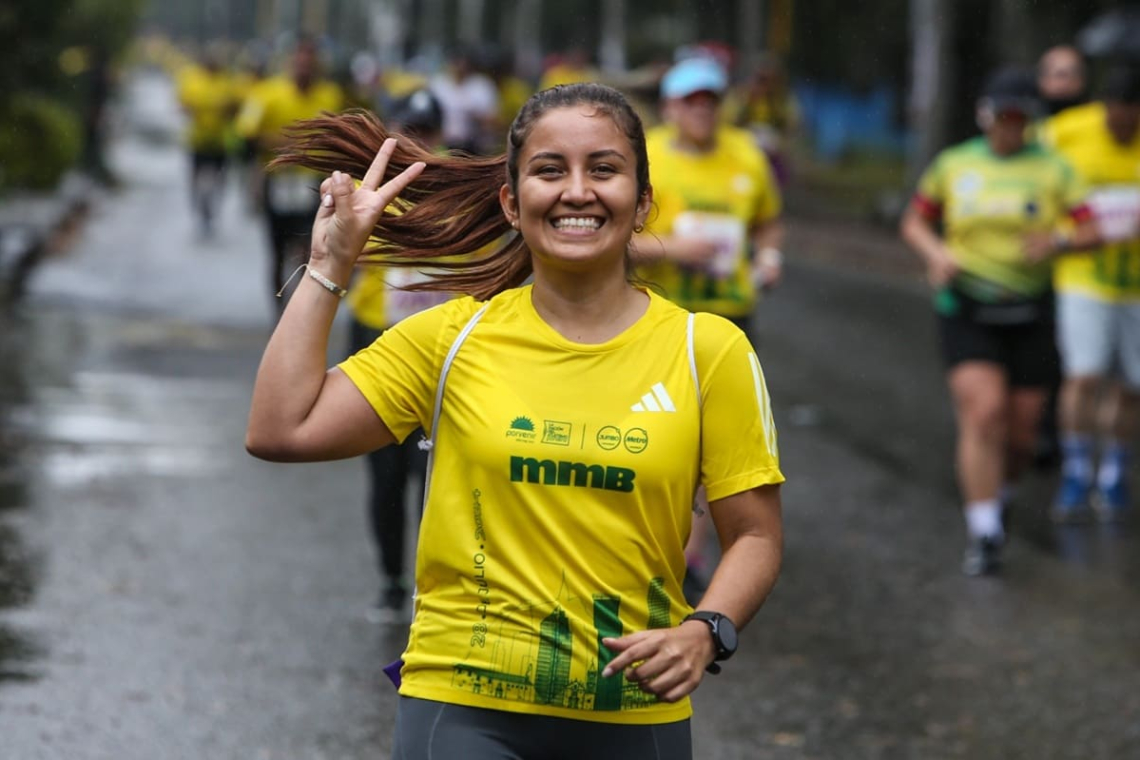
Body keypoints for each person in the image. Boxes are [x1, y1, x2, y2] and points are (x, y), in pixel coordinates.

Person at [246, 83, 783, 757]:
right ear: (512, 200)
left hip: (634, 708)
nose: (578, 192)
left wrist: (706, 630)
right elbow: (280, 429)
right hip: (462, 705)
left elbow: (755, 535)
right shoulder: (452, 338)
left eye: (604, 169)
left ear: (643, 201)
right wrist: (329, 264)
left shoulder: (708, 351)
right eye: (550, 170)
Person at [900, 67, 1098, 576]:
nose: (1010, 126)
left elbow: (1090, 229)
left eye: (1020, 117)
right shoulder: (955, 164)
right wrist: (936, 254)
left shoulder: (1054, 169)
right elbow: (915, 220)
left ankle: (1001, 493)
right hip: (967, 306)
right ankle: (984, 530)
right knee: (984, 413)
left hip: (1031, 310)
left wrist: (1057, 240)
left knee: (1022, 436)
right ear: (985, 115)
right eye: (1003, 115)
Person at [636, 56, 784, 597]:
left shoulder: (747, 154)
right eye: (691, 100)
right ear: (670, 106)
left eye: (711, 100)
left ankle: (688, 558)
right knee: (656, 435)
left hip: (728, 318)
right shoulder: (644, 155)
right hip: (656, 314)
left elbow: (768, 221)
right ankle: (643, 543)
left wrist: (769, 258)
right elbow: (610, 237)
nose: (702, 110)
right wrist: (673, 249)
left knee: (705, 442)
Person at [345, 89, 450, 623]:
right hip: (377, 336)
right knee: (385, 472)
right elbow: (347, 250)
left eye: (426, 131)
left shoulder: (457, 186)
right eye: (408, 130)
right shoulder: (368, 183)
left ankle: (434, 589)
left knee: (432, 474)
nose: (417, 141)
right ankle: (390, 579)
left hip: (439, 348)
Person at [1041, 66, 1140, 522]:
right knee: (1083, 375)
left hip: (1135, 284)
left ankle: (1113, 474)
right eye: (1114, 117)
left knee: (1131, 386)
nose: (1121, 126)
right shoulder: (1069, 130)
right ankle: (1077, 471)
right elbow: (1031, 167)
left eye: (1131, 119)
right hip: (1083, 275)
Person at [235, 36, 344, 306]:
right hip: (278, 182)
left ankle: (301, 305)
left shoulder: (330, 95)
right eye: (299, 60)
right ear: (290, 62)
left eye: (310, 61)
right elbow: (246, 134)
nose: (304, 66)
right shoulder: (266, 93)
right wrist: (282, 146)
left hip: (313, 183)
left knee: (310, 247)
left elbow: (341, 137)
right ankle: (279, 309)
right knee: (278, 250)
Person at [176, 46, 238, 238]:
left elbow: (236, 107)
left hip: (221, 141)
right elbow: (182, 105)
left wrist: (225, 110)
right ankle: (200, 207)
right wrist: (195, 109)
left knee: (219, 179)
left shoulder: (227, 81)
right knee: (197, 178)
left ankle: (213, 208)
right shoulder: (192, 79)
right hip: (198, 140)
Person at [429, 48, 500, 154]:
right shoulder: (438, 84)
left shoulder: (481, 85)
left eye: (462, 63)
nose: (459, 67)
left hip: (474, 143)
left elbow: (494, 120)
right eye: (456, 63)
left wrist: (476, 116)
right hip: (445, 142)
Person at [1037, 45, 1088, 117]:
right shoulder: (1027, 118)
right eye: (1060, 74)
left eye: (1073, 73)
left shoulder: (1099, 117)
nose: (1064, 82)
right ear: (1042, 80)